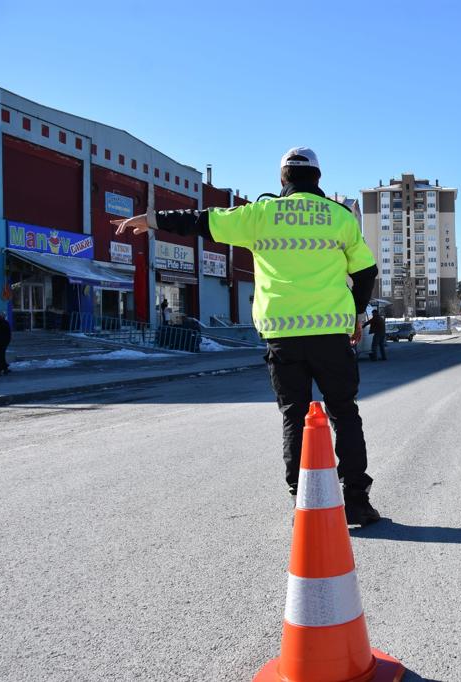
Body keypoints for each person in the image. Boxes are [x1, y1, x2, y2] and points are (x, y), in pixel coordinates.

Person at [114, 147, 381, 525]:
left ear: (283, 179)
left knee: (294, 416)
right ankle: (356, 501)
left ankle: (303, 504)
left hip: (283, 335)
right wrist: (355, 313)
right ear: (318, 179)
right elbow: (366, 272)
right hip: (330, 336)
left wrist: (153, 219)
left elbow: (203, 221)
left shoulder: (261, 215)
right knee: (345, 414)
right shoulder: (340, 218)